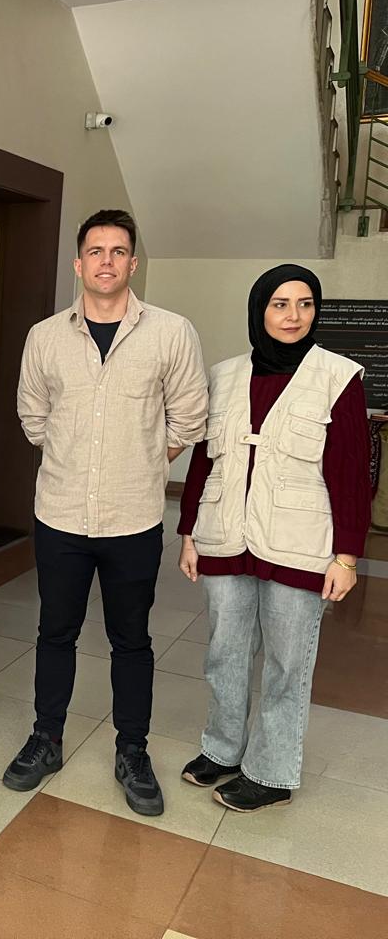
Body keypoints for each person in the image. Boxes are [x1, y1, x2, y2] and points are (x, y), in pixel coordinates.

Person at [3, 209, 208, 817]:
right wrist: (73, 456)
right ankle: (46, 739)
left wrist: (144, 459)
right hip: (60, 514)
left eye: (118, 251)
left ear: (133, 263)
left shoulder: (171, 333)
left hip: (133, 517)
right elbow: (32, 414)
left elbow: (189, 416)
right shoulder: (46, 336)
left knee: (132, 641)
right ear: (78, 263)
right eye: (96, 251)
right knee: (55, 632)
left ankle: (132, 752)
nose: (107, 261)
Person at [177, 265, 369, 812]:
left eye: (305, 304)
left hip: (300, 542)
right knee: (226, 653)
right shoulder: (225, 375)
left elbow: (351, 473)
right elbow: (203, 460)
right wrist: (189, 532)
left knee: (287, 663)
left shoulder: (338, 377)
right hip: (224, 536)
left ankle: (272, 771)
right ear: (259, 309)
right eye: (280, 304)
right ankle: (223, 748)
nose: (293, 316)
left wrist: (347, 556)